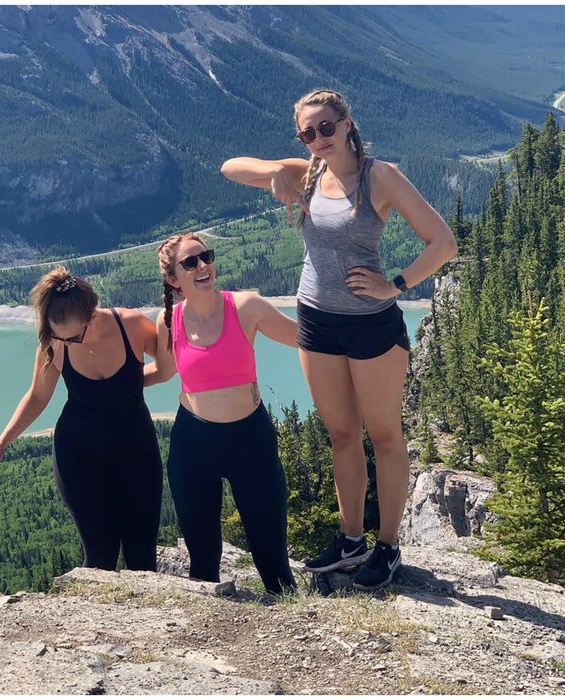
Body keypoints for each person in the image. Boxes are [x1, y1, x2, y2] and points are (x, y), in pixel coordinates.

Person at [219, 88, 458, 590]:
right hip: (315, 319)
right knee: (342, 435)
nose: (318, 139)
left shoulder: (381, 176)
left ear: (348, 123)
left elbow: (444, 243)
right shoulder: (308, 171)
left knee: (385, 435)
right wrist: (278, 170)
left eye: (326, 127)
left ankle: (387, 546)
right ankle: (351, 540)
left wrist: (396, 284)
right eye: (307, 133)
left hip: (372, 324)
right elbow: (229, 168)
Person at [0, 267, 164, 572]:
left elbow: (168, 366)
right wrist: (0, 445)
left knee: (142, 556)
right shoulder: (54, 342)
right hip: (78, 455)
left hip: (137, 451)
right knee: (100, 555)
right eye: (57, 335)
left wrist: (127, 385)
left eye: (73, 337)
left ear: (92, 314)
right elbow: (37, 397)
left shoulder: (132, 325)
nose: (66, 343)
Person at [154, 233, 301, 595]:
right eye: (190, 263)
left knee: (273, 562)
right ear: (174, 280)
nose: (203, 266)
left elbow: (304, 336)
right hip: (193, 445)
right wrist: (104, 385)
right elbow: (163, 371)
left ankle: (294, 628)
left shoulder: (246, 306)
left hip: (251, 442)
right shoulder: (168, 320)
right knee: (202, 563)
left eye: (206, 257)